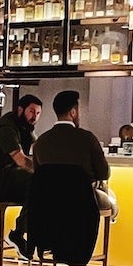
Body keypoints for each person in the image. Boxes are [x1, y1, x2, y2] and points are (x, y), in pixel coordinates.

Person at [0, 94, 42, 257]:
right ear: (20, 110)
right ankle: (19, 234)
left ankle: (35, 235)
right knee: (39, 184)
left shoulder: (24, 127)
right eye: (32, 111)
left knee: (43, 187)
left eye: (38, 113)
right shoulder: (6, 127)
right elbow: (19, 159)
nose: (35, 116)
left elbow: (38, 146)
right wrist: (43, 172)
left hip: (8, 177)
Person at [33, 89, 115, 219]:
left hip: (49, 202)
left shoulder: (41, 141)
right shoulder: (87, 138)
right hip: (82, 201)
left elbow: (38, 174)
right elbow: (104, 173)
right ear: (73, 112)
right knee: (111, 200)